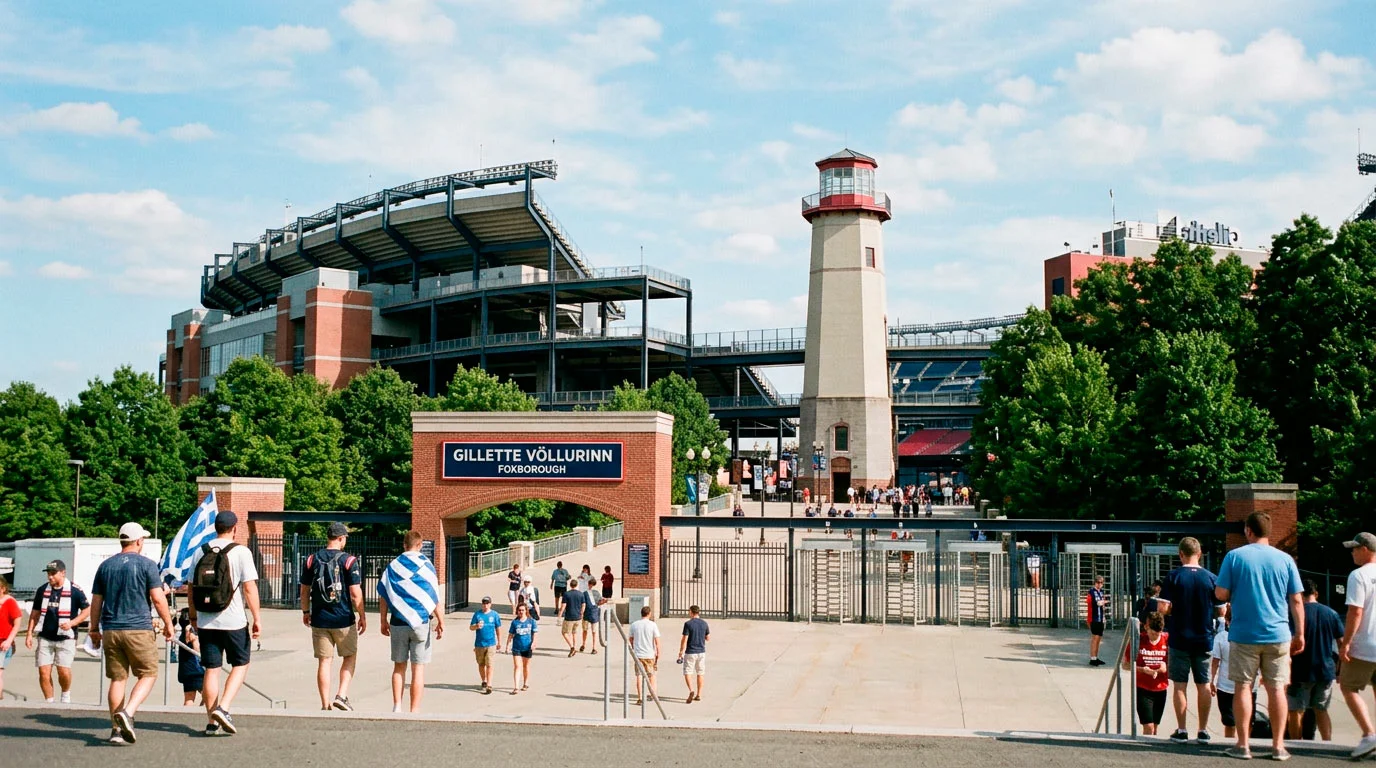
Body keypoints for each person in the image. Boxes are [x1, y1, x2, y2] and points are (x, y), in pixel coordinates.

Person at [1214, 511, 1304, 761]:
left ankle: (1242, 745)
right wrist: (1300, 633)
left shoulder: (1234, 557)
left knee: (1243, 687)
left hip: (1244, 633)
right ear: (1270, 531)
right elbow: (1296, 599)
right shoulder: (1285, 560)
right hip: (1278, 633)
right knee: (1277, 689)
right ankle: (1278, 747)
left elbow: (1221, 593)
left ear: (1248, 531)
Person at [89, 522, 174, 745]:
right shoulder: (146, 565)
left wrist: (93, 629)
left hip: (111, 630)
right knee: (148, 673)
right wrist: (168, 623)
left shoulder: (105, 566)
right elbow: (157, 597)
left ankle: (116, 730)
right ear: (138, 541)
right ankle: (128, 712)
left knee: (118, 679)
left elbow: (96, 601)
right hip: (138, 628)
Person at [187, 510, 262, 738]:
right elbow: (249, 588)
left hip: (206, 620)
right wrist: (257, 618)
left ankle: (212, 722)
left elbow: (191, 588)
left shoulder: (200, 552)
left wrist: (193, 618)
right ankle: (224, 707)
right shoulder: (241, 552)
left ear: (215, 528)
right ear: (235, 528)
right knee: (241, 663)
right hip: (233, 621)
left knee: (212, 669)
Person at [1157, 536, 1217, 744]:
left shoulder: (1173, 576)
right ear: (1199, 554)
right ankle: (1203, 730)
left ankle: (1182, 730)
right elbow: (1221, 609)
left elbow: (1162, 609)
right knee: (1204, 684)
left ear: (1180, 554)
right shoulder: (1211, 578)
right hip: (1204, 638)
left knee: (1180, 685)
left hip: (1180, 637)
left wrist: (1176, 609)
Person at [300, 522, 365, 711]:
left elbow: (304, 590)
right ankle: (342, 695)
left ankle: (325, 704)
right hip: (343, 619)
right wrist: (361, 615)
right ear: (340, 538)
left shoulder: (311, 559)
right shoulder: (349, 560)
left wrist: (306, 611)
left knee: (324, 661)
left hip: (319, 619)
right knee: (350, 656)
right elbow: (355, 593)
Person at [378, 530, 444, 714]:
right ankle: (414, 710)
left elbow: (383, 594)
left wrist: (383, 619)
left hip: (398, 622)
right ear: (420, 544)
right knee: (418, 669)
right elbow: (433, 595)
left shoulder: (393, 566)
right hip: (421, 623)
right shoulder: (426, 566)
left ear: (404, 545)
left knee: (399, 667)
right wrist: (441, 620)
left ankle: (397, 706)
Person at [25, 558, 90, 704]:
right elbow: (35, 613)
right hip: (45, 636)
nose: (50, 576)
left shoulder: (75, 590)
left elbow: (87, 610)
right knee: (43, 672)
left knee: (63, 671)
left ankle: (65, 694)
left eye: (53, 573)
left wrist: (73, 623)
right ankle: (49, 701)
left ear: (63, 573)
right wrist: (29, 633)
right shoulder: (42, 590)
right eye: (48, 573)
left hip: (66, 638)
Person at [1286, 579, 1343, 741]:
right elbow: (1341, 643)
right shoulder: (1331, 614)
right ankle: (1327, 742)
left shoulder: (1295, 614)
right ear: (1316, 594)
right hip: (1325, 669)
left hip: (1300, 669)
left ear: (1299, 595)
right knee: (1321, 709)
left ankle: (1296, 744)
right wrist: (1340, 668)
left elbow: (1287, 641)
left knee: (1296, 710)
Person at [1340, 532, 1376, 759]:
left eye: (1354, 548)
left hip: (1365, 643)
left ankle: (1369, 733)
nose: (1352, 552)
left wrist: (1346, 642)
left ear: (1365, 549)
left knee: (1348, 687)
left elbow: (1355, 611)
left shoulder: (1358, 575)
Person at [1126, 611, 1170, 736]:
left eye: (1158, 634)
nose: (1155, 636)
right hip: (1143, 689)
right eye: (1152, 633)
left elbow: (1175, 662)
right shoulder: (1138, 640)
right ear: (1146, 627)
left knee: (1155, 728)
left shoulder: (1167, 639)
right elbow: (1125, 665)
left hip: (1161, 689)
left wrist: (1165, 667)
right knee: (1148, 726)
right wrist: (1141, 669)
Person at [1211, 604, 1245, 739]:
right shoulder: (1249, 637)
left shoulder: (1221, 637)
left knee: (1230, 723)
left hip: (1225, 686)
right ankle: (1245, 743)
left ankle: (1231, 742)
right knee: (1244, 721)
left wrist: (1212, 680)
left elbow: (1215, 662)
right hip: (1243, 686)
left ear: (1227, 621)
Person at [629, 605, 661, 706]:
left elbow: (630, 639)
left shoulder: (634, 625)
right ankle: (653, 695)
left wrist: (634, 648)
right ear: (649, 614)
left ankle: (640, 698)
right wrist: (658, 652)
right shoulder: (652, 625)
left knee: (638, 676)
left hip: (638, 654)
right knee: (651, 675)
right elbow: (657, 641)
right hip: (649, 654)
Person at [469, 596, 502, 694]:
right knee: (481, 663)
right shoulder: (477, 614)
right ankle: (484, 680)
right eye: (484, 603)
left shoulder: (494, 615)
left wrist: (499, 641)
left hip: (491, 643)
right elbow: (471, 627)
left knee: (490, 664)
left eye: (487, 603)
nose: (485, 605)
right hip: (479, 644)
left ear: (490, 604)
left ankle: (489, 684)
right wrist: (476, 626)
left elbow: (498, 628)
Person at [678, 604, 709, 703]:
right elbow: (708, 638)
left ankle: (691, 690)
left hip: (690, 651)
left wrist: (681, 652)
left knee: (688, 672)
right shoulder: (704, 623)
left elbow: (684, 639)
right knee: (700, 673)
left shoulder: (688, 624)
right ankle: (699, 694)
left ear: (691, 612)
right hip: (701, 652)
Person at [506, 602, 537, 694]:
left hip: (527, 647)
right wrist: (507, 645)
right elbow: (511, 634)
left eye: (523, 610)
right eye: (519, 610)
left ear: (526, 611)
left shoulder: (531, 621)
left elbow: (535, 633)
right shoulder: (515, 622)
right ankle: (516, 687)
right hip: (517, 648)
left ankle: (525, 682)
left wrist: (534, 642)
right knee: (517, 666)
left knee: (526, 666)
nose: (521, 612)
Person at [175, 609, 204, 706]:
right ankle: (205, 712)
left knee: (189, 697)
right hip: (197, 670)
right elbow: (197, 650)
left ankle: (187, 713)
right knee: (208, 695)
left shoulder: (182, 635)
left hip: (185, 670)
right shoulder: (191, 632)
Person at [0, 577, 22, 700]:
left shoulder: (10, 602)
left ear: (3, 588)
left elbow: (17, 624)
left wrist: (8, 641)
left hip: (3, 643)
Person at [560, 580, 586, 657]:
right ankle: (574, 646)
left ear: (570, 585)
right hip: (578, 617)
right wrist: (581, 613)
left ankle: (572, 647)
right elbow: (583, 605)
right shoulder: (581, 594)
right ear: (576, 585)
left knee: (564, 632)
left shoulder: (566, 594)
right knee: (574, 633)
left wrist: (559, 615)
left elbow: (563, 606)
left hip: (569, 617)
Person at [1087, 575, 1108, 666]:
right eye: (1097, 582)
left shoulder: (1101, 592)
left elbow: (1102, 606)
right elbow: (1097, 603)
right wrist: (1104, 602)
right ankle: (1092, 658)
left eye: (1101, 582)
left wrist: (1104, 618)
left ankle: (1095, 657)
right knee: (1095, 638)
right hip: (1094, 618)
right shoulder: (1092, 592)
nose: (1099, 584)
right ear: (1094, 582)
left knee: (1098, 638)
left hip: (1100, 618)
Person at [582, 590, 601, 655]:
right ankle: (594, 647)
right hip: (594, 614)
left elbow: (583, 604)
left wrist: (581, 613)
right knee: (594, 632)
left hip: (586, 614)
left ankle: (583, 644)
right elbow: (599, 602)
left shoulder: (584, 593)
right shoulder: (596, 592)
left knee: (585, 630)